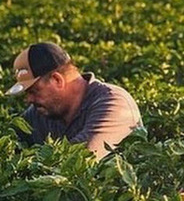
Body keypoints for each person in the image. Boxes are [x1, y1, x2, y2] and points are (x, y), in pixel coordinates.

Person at [5, 42, 143, 160]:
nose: (29, 99)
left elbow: (78, 160)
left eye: (34, 91)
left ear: (57, 80)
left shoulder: (113, 103)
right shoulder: (39, 112)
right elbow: (9, 140)